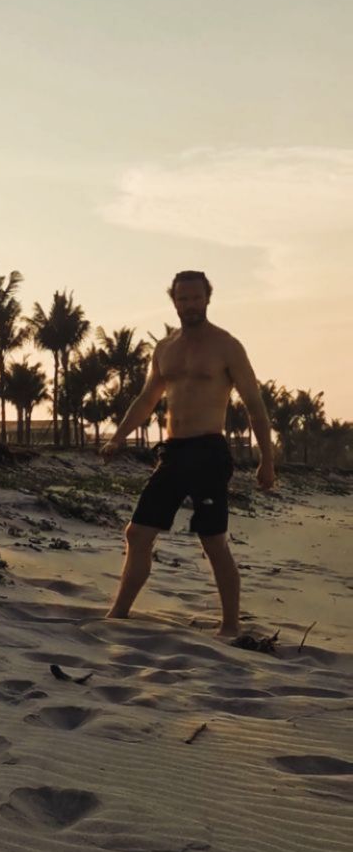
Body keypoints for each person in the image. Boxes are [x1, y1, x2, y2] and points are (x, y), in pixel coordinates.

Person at [100, 270, 275, 636]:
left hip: (209, 452)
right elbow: (147, 399)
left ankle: (229, 627)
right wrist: (118, 436)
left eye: (196, 298)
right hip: (173, 453)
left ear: (207, 299)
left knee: (213, 541)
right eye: (183, 298)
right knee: (137, 533)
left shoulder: (227, 346)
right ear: (174, 300)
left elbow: (255, 406)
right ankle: (118, 613)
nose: (190, 305)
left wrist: (267, 459)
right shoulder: (165, 348)